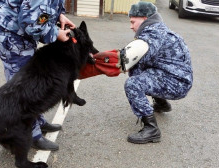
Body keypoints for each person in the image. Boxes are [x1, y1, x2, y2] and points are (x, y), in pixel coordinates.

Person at [80, 1, 193, 144]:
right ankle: (162, 103)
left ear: (145, 19)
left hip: (177, 84)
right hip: (177, 78)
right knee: (139, 70)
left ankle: (151, 129)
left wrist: (97, 60)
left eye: (133, 21)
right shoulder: (159, 30)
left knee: (133, 84)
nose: (131, 26)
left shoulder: (153, 35)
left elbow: (125, 59)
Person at [0, 0, 76, 151]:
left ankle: (38, 121)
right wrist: (56, 33)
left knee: (32, 82)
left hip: (18, 32)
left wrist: (59, 15)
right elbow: (32, 24)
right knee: (24, 88)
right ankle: (32, 134)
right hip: (10, 35)